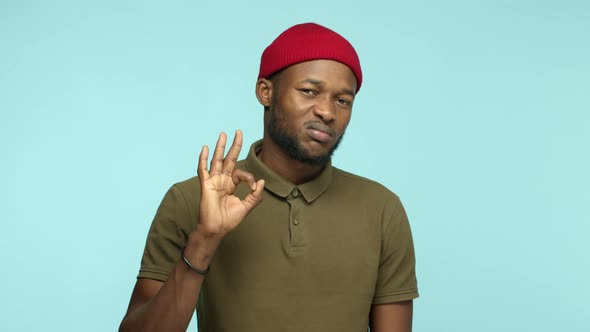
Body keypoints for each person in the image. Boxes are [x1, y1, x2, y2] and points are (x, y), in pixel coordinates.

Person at [119, 22, 419, 332]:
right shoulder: (191, 200)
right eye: (309, 91)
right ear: (266, 92)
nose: (327, 112)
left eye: (342, 100)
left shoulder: (382, 209)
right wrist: (204, 241)